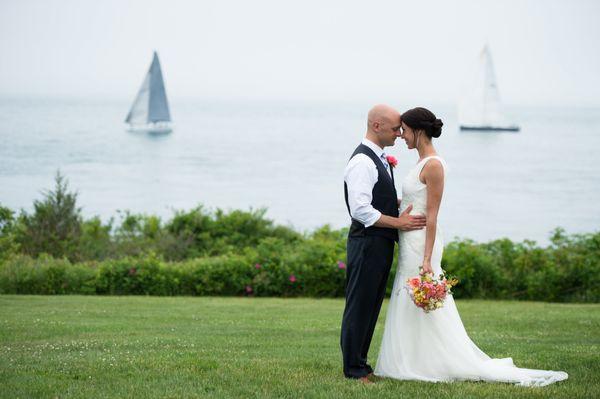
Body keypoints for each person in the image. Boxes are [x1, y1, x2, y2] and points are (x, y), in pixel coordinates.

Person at [374, 107, 568, 387]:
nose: (401, 136)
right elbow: (412, 202)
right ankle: (413, 359)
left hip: (421, 243)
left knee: (421, 297)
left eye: (404, 130)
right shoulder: (420, 163)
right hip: (409, 238)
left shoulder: (434, 165)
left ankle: (437, 360)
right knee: (409, 298)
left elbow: (432, 215)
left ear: (419, 131)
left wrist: (427, 258)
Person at [341, 104, 427, 383]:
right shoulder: (362, 162)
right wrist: (400, 223)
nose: (399, 134)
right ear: (376, 126)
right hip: (367, 243)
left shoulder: (378, 158)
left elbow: (376, 199)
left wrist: (399, 204)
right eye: (394, 129)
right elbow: (361, 210)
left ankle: (361, 364)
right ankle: (354, 370)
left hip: (378, 244)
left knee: (372, 304)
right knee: (360, 306)